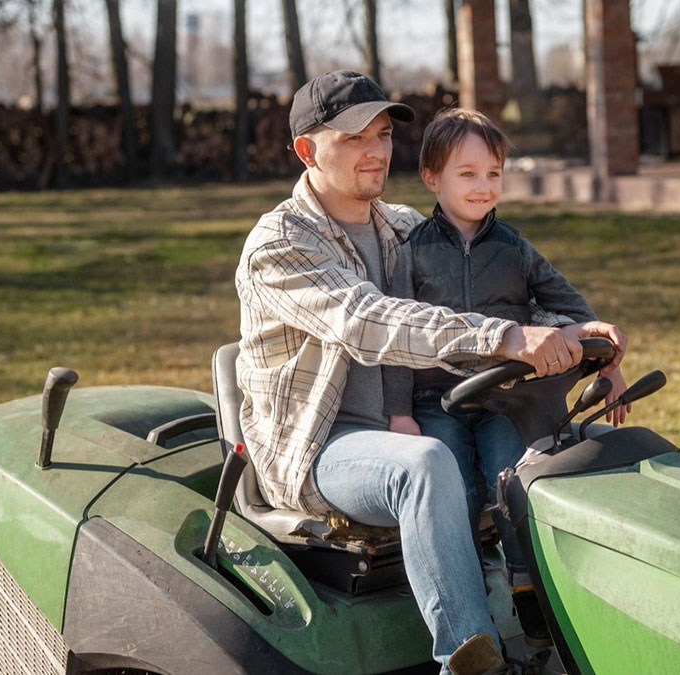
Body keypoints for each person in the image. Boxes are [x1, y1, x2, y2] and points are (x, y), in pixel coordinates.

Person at [234, 70, 626, 674]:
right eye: (354, 137)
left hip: (420, 415)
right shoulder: (280, 245)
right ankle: (468, 658)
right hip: (321, 446)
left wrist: (577, 332)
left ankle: (578, 633)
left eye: (384, 134)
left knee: (579, 451)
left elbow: (497, 290)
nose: (376, 151)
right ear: (308, 151)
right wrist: (509, 337)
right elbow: (369, 321)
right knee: (425, 466)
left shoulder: (402, 227)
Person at [386, 108, 630, 647]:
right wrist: (399, 412)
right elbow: (396, 341)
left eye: (493, 173)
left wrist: (607, 359)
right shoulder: (412, 253)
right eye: (467, 174)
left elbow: (571, 309)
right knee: (455, 490)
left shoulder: (515, 249)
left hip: (503, 399)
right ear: (433, 178)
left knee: (515, 479)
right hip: (435, 401)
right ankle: (468, 600)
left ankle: (530, 592)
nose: (483, 186)